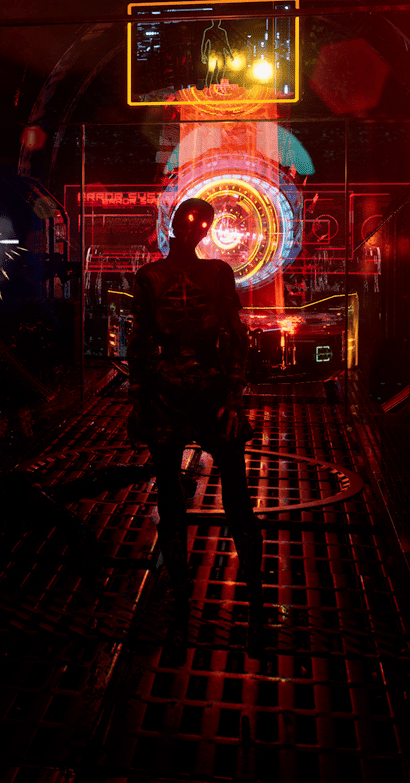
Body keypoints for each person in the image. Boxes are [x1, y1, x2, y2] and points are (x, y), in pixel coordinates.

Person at [129, 197, 266, 651]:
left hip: (198, 392)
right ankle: (194, 614)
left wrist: (233, 394)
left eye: (199, 225)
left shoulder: (200, 274)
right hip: (182, 392)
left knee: (226, 503)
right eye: (189, 224)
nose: (192, 231)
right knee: (183, 505)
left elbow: (234, 335)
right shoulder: (162, 277)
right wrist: (141, 398)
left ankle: (235, 614)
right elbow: (140, 341)